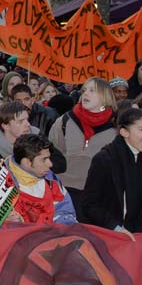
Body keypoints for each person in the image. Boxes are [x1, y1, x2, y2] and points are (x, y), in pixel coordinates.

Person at [0, 134, 76, 225]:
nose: (50, 164)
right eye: (44, 160)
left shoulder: (50, 179)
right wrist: (5, 222)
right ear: (26, 162)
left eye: (49, 158)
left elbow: (66, 212)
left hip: (47, 244)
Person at [0, 101, 66, 195]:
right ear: (5, 125)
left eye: (27, 119)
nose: (28, 124)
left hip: (32, 203)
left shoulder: (37, 139)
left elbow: (61, 164)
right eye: (20, 121)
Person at [81, 107, 142, 234]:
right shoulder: (105, 160)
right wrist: (115, 227)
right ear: (124, 132)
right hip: (110, 233)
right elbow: (89, 204)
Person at [48, 77, 116, 217]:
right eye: (84, 90)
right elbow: (50, 158)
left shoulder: (116, 128)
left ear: (106, 96)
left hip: (98, 197)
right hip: (64, 194)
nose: (86, 94)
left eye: (92, 90)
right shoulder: (64, 121)